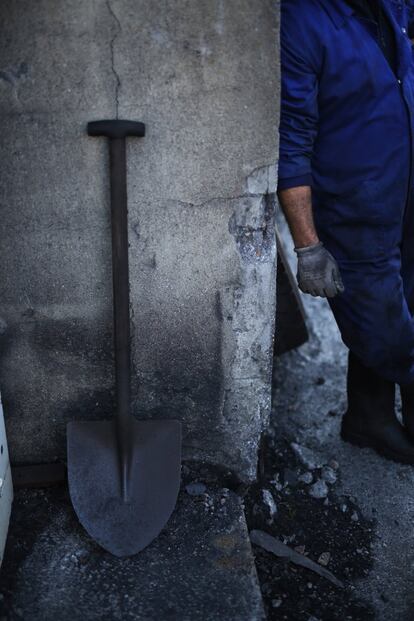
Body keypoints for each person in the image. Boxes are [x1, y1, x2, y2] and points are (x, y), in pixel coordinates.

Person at [277, 0, 414, 463]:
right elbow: (291, 141)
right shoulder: (302, 21)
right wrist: (309, 246)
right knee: (384, 329)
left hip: (405, 194)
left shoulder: (389, 4)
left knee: (407, 303)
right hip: (357, 212)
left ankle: (368, 418)